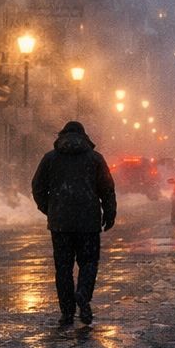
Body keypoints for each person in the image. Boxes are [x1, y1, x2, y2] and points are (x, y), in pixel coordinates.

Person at [31, 121, 116, 327]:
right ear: (84, 137)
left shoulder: (50, 159)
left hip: (61, 224)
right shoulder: (95, 159)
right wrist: (109, 213)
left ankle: (67, 312)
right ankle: (83, 295)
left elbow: (37, 187)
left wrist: (49, 208)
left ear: (62, 136)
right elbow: (107, 189)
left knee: (63, 267)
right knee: (88, 262)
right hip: (88, 222)